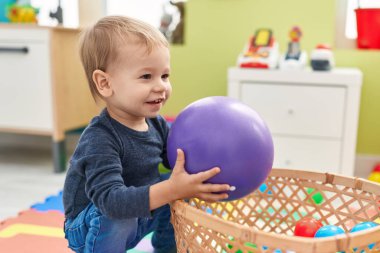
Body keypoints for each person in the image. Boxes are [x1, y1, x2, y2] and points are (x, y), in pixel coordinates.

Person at [62, 15, 231, 253]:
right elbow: (110, 202)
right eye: (146, 76)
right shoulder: (99, 138)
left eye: (164, 75)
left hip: (138, 213)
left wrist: (204, 171)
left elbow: (180, 162)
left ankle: (167, 248)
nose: (161, 86)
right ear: (105, 83)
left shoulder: (156, 124)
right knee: (127, 209)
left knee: (179, 189)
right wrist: (173, 188)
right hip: (90, 224)